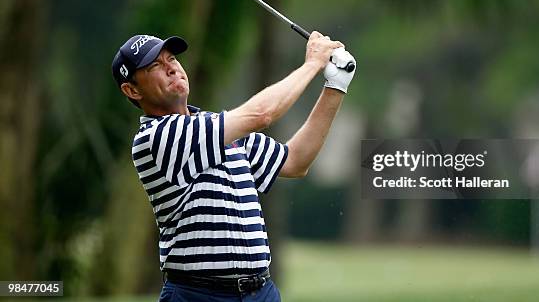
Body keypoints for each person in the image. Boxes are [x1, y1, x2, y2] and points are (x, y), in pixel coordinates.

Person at [111, 32, 356, 301]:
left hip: (261, 292)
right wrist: (312, 63)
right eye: (155, 66)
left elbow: (295, 161)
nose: (172, 68)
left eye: (171, 59)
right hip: (198, 295)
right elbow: (262, 114)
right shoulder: (155, 138)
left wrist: (336, 85)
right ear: (132, 90)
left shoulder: (216, 128)